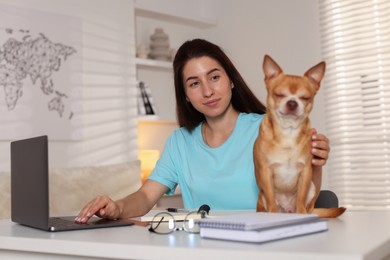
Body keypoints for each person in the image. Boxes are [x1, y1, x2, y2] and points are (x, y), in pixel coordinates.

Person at [75, 39, 329, 223]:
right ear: (185, 95)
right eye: (194, 83)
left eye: (215, 77)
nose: (207, 91)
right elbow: (145, 196)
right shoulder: (180, 142)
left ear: (231, 79)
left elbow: (302, 191)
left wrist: (315, 162)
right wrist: (117, 206)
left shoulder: (269, 128)